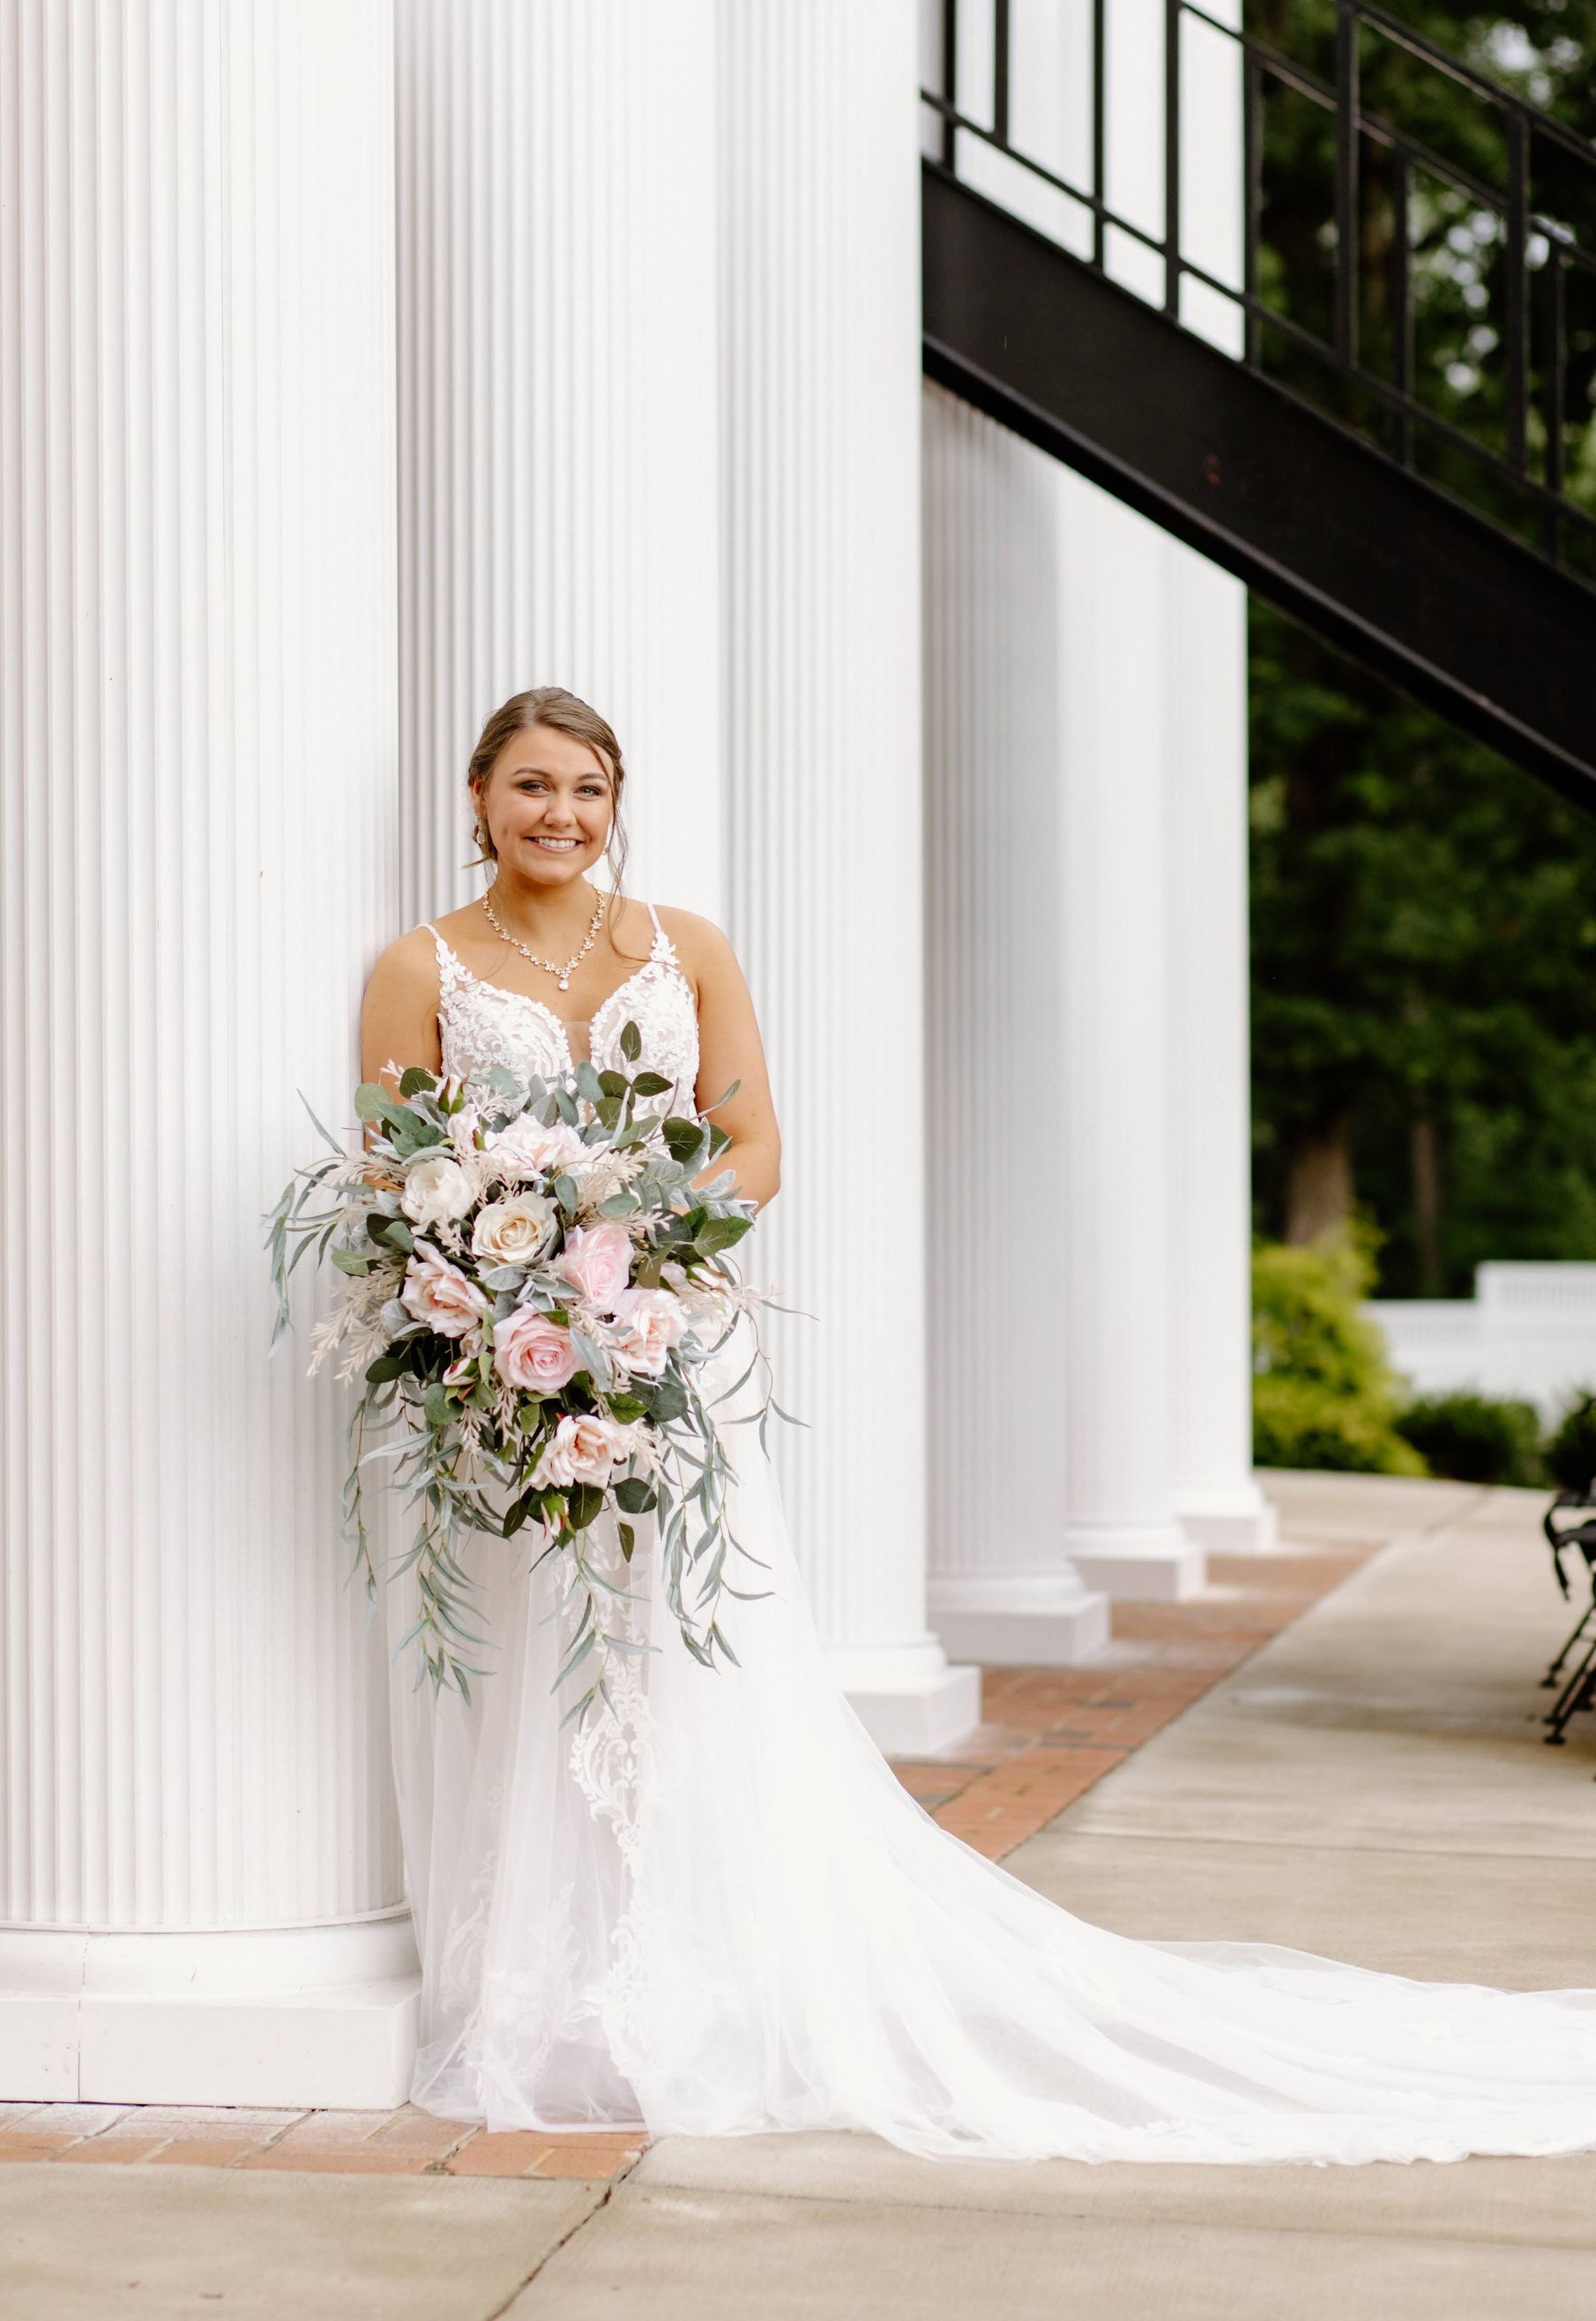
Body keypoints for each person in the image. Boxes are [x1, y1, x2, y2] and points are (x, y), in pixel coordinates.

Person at [358, 683, 1596, 2165]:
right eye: (531, 787)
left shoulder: (682, 949)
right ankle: (541, 1995)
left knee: (688, 1668)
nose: (560, 816)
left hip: (672, 1352)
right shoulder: (417, 965)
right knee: (519, 1670)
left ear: (617, 805)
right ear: (478, 797)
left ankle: (697, 1981)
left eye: (588, 790)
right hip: (507, 1372)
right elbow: (401, 1167)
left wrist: (635, 1237)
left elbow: (753, 1147)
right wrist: (513, 1277)